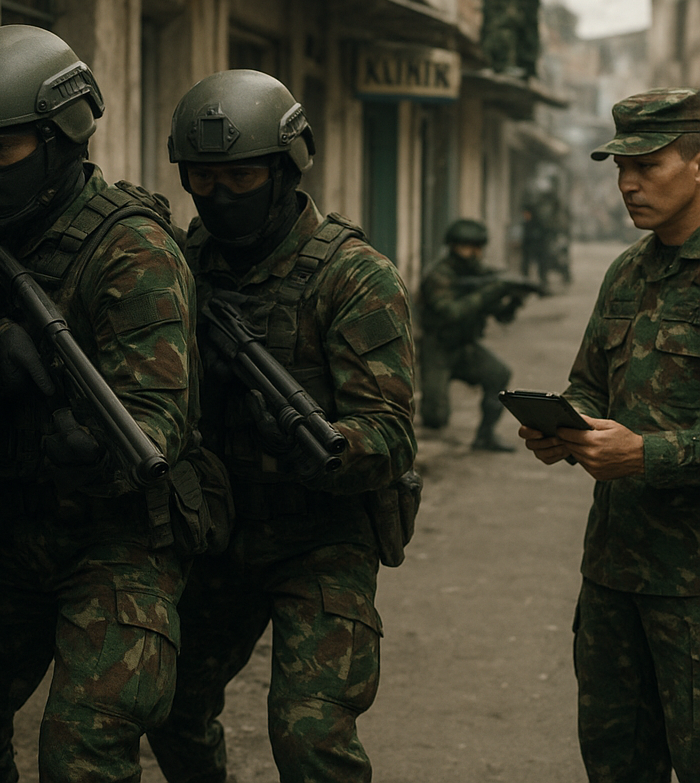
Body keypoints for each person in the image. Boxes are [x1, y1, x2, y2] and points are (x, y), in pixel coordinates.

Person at [0, 25, 218, 783]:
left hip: (122, 540)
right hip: (14, 526)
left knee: (83, 749)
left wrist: (90, 440)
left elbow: (159, 416)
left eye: (2, 148)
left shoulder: (131, 248)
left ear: (62, 139)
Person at [146, 69, 417, 783]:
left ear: (286, 168)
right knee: (167, 707)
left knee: (309, 733)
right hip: (215, 530)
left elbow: (391, 434)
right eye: (202, 178)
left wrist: (316, 442)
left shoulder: (353, 276)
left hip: (320, 537)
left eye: (240, 176)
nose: (219, 195)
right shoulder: (178, 264)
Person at [522, 87, 700, 783]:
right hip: (615, 573)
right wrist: (564, 424)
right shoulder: (627, 271)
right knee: (616, 763)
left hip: (692, 586)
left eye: (647, 165)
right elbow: (590, 382)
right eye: (621, 167)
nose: (627, 184)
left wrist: (646, 454)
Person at [417, 218, 540, 452]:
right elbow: (451, 312)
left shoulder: (481, 273)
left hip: (465, 346)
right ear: (453, 246)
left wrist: (514, 300)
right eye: (468, 247)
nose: (474, 254)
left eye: (478, 248)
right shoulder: (438, 275)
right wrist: (491, 291)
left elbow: (501, 316)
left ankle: (485, 436)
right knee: (435, 419)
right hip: (438, 349)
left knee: (499, 374)